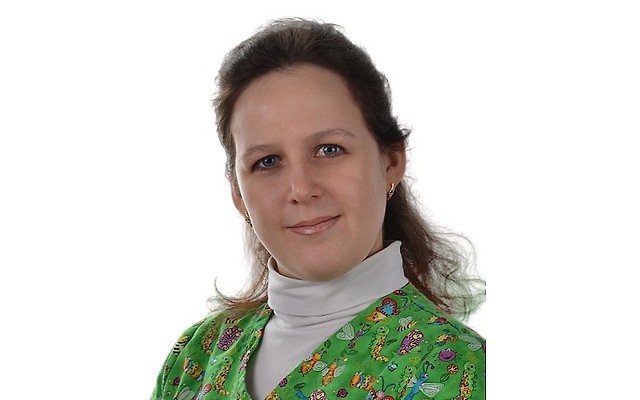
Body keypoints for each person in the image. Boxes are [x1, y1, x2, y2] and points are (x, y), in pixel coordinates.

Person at [152, 18, 485, 400]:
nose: (301, 189)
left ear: (391, 161)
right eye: (267, 161)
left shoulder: (460, 368)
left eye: (329, 150)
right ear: (238, 194)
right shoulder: (196, 358)